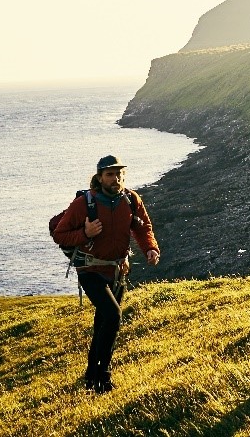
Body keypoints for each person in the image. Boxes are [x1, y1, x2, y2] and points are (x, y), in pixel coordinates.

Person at [52, 154, 160, 393]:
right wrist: (85, 234)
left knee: (103, 322)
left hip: (119, 271)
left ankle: (92, 376)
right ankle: (104, 376)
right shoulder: (84, 204)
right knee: (113, 316)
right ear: (100, 177)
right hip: (91, 270)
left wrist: (150, 248)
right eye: (110, 174)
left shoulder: (131, 200)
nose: (116, 179)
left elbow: (143, 228)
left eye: (120, 174)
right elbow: (59, 234)